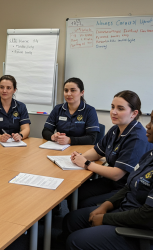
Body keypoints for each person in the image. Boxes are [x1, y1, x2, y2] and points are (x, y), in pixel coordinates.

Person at [61, 110, 153, 250]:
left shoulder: (138, 138)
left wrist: (106, 219)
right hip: (125, 208)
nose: (148, 125)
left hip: (138, 227)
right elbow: (129, 187)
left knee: (75, 241)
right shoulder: (150, 154)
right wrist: (106, 205)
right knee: (71, 220)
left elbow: (146, 215)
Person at [70, 90, 153, 208]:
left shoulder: (136, 138)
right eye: (112, 107)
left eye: (120, 108)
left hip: (125, 188)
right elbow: (97, 151)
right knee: (76, 192)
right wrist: (80, 157)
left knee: (85, 203)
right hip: (110, 182)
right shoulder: (115, 129)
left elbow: (117, 174)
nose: (113, 112)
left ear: (134, 113)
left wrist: (86, 163)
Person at [42, 77, 100, 145]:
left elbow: (92, 138)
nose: (68, 94)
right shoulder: (57, 109)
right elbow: (45, 131)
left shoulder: (90, 110)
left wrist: (70, 140)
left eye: (73, 90)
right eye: (66, 90)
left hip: (81, 150)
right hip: (60, 148)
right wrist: (53, 136)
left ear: (82, 92)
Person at [0, 75, 30, 142]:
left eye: (8, 88)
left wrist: (20, 135)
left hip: (14, 143)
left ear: (14, 90)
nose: (4, 91)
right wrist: (0, 137)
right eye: (2, 87)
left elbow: (26, 129)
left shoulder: (21, 106)